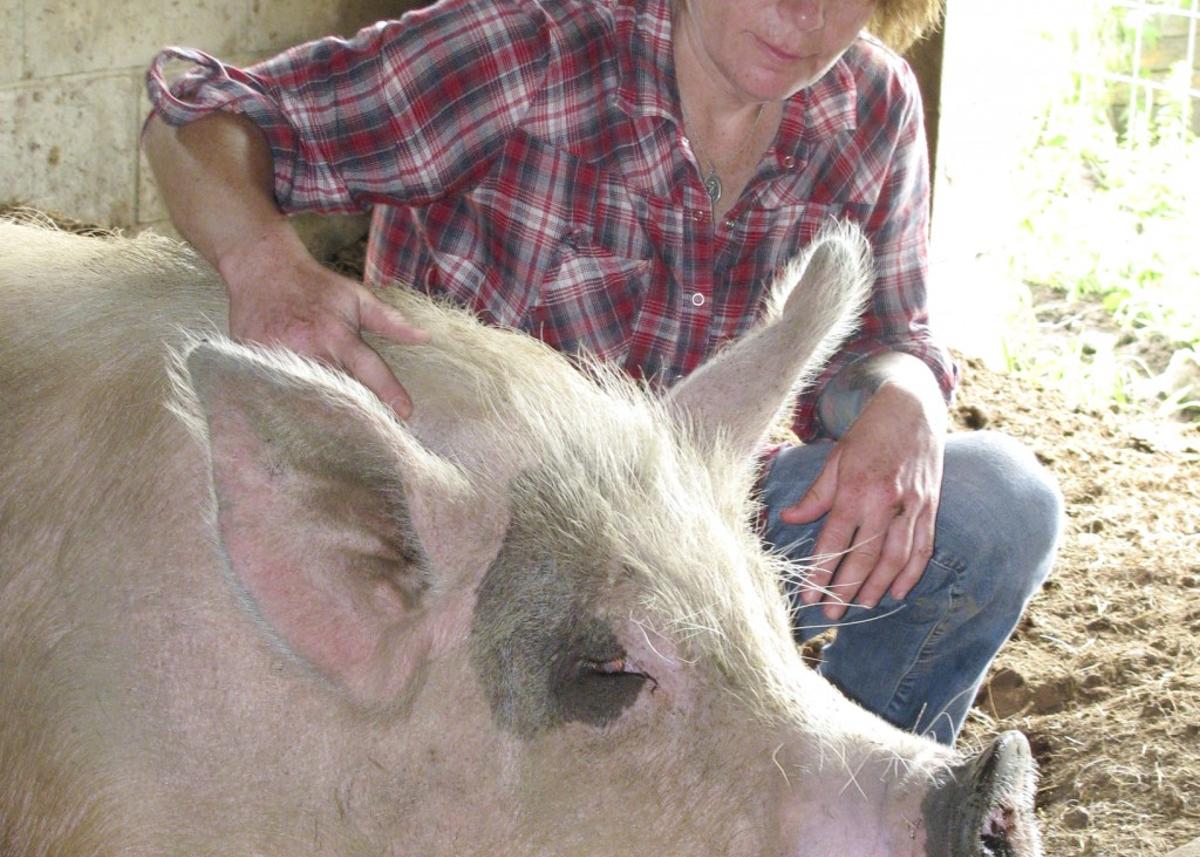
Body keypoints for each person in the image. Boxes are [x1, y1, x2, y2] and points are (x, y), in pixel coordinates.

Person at [142, 0, 1062, 745]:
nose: (803, 12)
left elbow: (889, 333)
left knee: (998, 509)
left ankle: (844, 808)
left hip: (702, 548)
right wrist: (265, 266)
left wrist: (904, 393)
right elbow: (198, 120)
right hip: (486, 576)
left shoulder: (872, 105)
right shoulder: (532, 51)